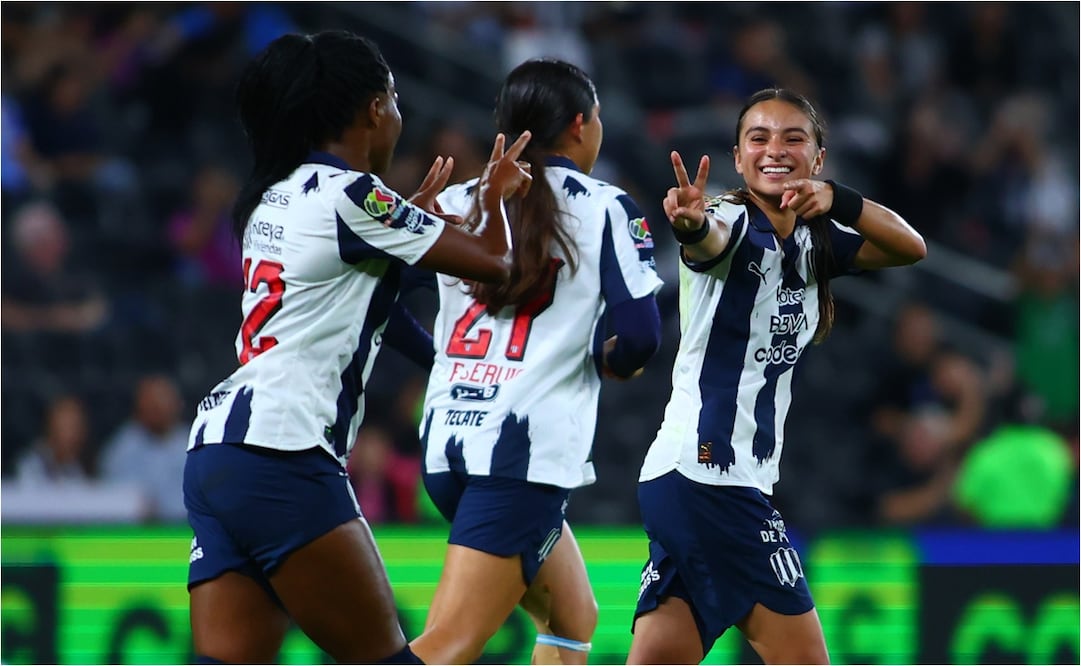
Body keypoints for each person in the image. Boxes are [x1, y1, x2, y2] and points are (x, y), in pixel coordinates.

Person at [181, 30, 532, 664]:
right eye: (395, 99)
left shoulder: (273, 195)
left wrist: (440, 361)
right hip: (283, 452)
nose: (400, 114)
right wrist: (495, 198)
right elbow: (495, 260)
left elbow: (363, 308)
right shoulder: (354, 196)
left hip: (217, 453)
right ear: (374, 108)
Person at [629, 88, 927, 664]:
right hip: (711, 476)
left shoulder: (816, 241)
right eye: (757, 138)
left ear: (818, 158)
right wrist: (691, 226)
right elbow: (709, 244)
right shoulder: (730, 219)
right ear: (738, 159)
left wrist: (838, 198)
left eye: (794, 138)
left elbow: (909, 247)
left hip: (693, 480)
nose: (775, 150)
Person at [410, 58, 664, 665]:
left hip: (447, 447)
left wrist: (440, 360)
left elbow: (383, 302)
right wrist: (611, 361)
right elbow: (640, 337)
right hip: (520, 460)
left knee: (571, 613)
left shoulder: (453, 201)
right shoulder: (606, 207)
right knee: (446, 646)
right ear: (580, 125)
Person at [99, 373, 190, 522]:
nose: (156, 407)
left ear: (177, 404)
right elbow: (112, 499)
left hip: (185, 531)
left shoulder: (194, 443)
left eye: (162, 399)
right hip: (136, 533)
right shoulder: (122, 448)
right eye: (150, 401)